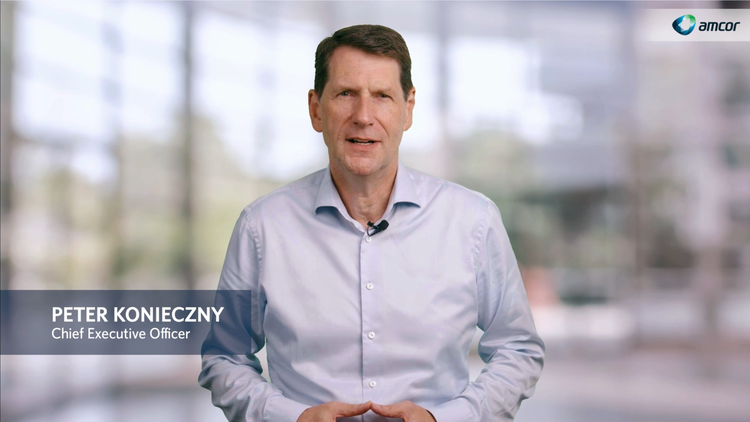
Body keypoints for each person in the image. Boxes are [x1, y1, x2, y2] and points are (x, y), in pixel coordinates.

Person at [199, 24, 544, 422]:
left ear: (408, 108)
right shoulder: (261, 228)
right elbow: (224, 357)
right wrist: (291, 418)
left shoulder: (473, 221)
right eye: (346, 94)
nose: (364, 117)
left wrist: (447, 419)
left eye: (382, 96)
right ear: (316, 108)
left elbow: (518, 349)